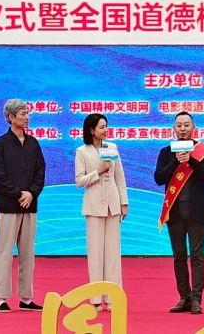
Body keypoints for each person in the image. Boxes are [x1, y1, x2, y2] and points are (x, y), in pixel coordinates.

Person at [154, 111, 204, 314]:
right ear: (173, 128)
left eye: (186, 125)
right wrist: (175, 162)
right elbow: (159, 178)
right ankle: (184, 298)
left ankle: (197, 299)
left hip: (197, 212)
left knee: (197, 257)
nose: (182, 129)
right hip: (175, 213)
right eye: (179, 125)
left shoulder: (203, 152)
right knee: (179, 257)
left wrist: (191, 161)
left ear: (193, 128)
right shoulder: (166, 152)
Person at [0, 99, 45, 313]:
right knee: (4, 252)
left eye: (27, 113)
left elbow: (40, 171)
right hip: (7, 207)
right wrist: (18, 193)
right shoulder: (0, 144)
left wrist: (31, 193)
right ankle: (1, 299)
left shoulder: (33, 143)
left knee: (27, 253)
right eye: (23, 114)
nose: (27, 117)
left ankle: (26, 298)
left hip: (29, 206)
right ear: (11, 117)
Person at [75, 113, 129, 311]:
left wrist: (124, 202)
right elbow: (79, 181)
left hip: (113, 205)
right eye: (101, 127)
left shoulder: (111, 148)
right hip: (94, 206)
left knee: (113, 253)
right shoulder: (82, 151)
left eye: (106, 126)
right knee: (96, 253)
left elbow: (119, 177)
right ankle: (96, 298)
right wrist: (97, 171)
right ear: (91, 130)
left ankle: (113, 297)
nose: (105, 130)